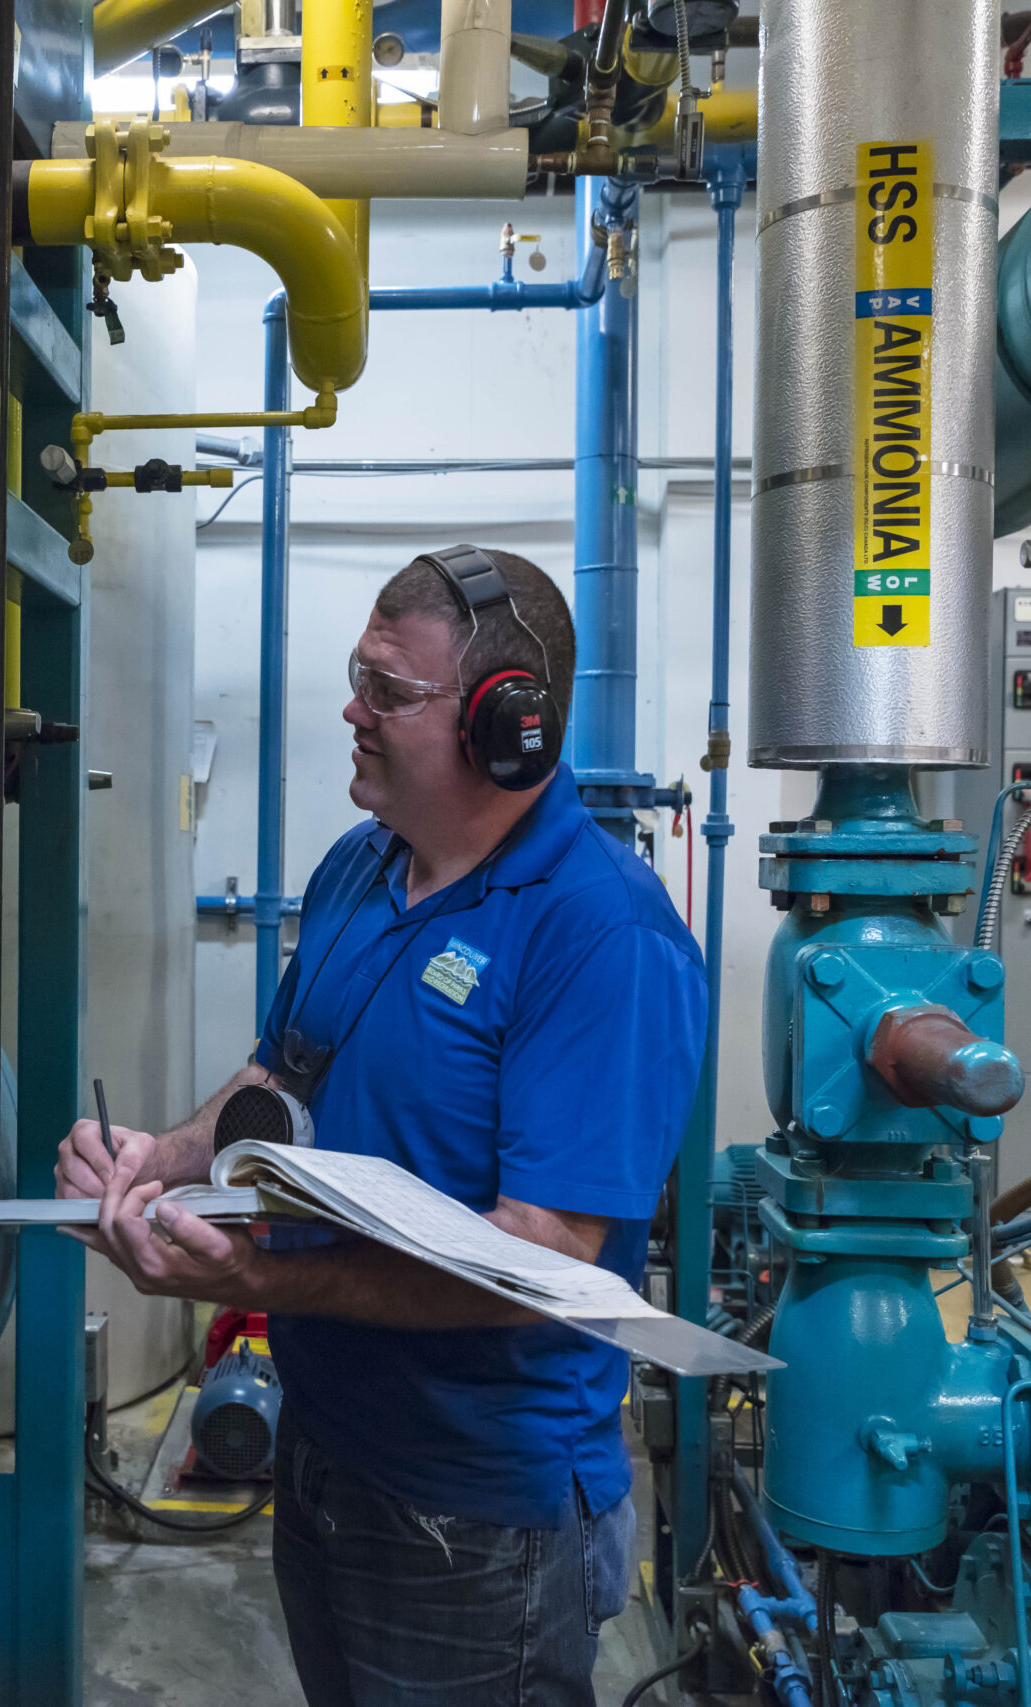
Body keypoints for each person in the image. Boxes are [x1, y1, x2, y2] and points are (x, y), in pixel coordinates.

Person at [57, 546, 707, 1706]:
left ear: (506, 726)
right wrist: (160, 1157)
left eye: (389, 693)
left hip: (476, 1508)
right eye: (355, 677)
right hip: (326, 1445)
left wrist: (257, 1277)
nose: (352, 714)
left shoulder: (600, 934)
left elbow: (544, 1259)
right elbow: (280, 1073)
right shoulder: (361, 868)